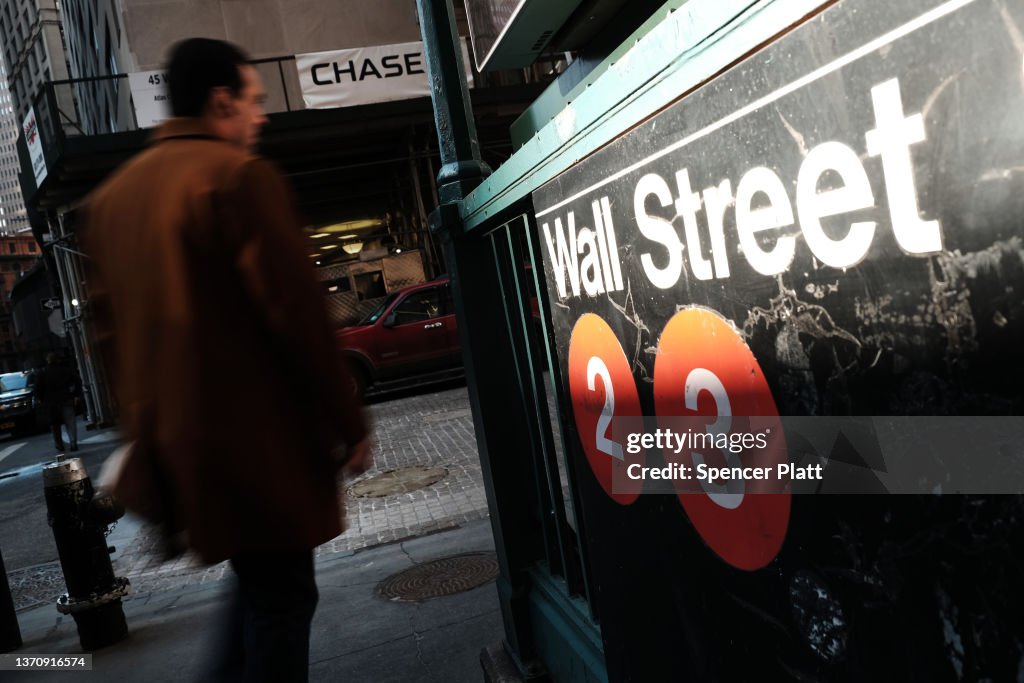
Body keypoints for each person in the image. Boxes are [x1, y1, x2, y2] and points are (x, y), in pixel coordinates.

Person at [82, 38, 372, 682]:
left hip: (187, 451)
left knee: (261, 587)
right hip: (259, 447)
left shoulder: (111, 204)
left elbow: (112, 347)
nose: (261, 117)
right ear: (221, 102)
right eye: (254, 102)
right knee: (281, 598)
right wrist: (350, 426)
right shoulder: (237, 178)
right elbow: (298, 318)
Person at [35, 352, 82, 452]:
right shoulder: (65, 370)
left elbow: (38, 388)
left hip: (51, 402)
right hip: (66, 398)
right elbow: (77, 380)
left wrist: (41, 399)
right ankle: (73, 443)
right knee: (70, 422)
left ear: (48, 360)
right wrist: (76, 394)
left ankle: (59, 444)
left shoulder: (43, 372)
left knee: (55, 425)